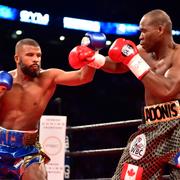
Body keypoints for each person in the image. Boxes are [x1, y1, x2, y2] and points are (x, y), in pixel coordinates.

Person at [0, 32, 106, 180]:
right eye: (30, 55)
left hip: (26, 150)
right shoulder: (3, 80)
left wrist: (93, 52)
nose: (36, 59)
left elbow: (83, 77)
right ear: (17, 58)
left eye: (38, 55)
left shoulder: (48, 78)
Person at [100, 9, 180, 179]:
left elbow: (168, 90)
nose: (140, 37)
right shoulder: (142, 52)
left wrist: (133, 60)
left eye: (143, 31)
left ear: (160, 30)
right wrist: (93, 59)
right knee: (127, 176)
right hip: (151, 127)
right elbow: (117, 64)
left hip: (179, 127)